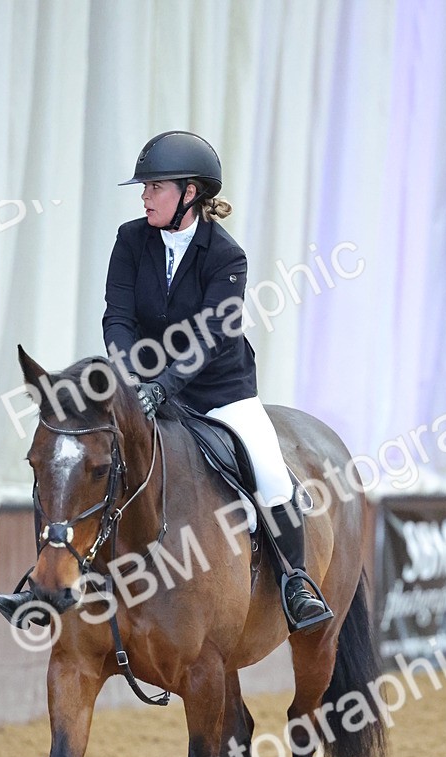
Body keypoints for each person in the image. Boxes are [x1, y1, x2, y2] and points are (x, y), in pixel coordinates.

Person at [102, 130, 329, 629]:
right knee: (89, 453)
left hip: (218, 390)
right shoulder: (130, 239)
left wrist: (163, 386)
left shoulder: (226, 257)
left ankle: (296, 581)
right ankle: (67, 578)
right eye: (144, 188)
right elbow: (117, 317)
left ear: (190, 193)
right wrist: (128, 377)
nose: (144, 196)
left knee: (269, 472)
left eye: (155, 187)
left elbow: (208, 336)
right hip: (142, 382)